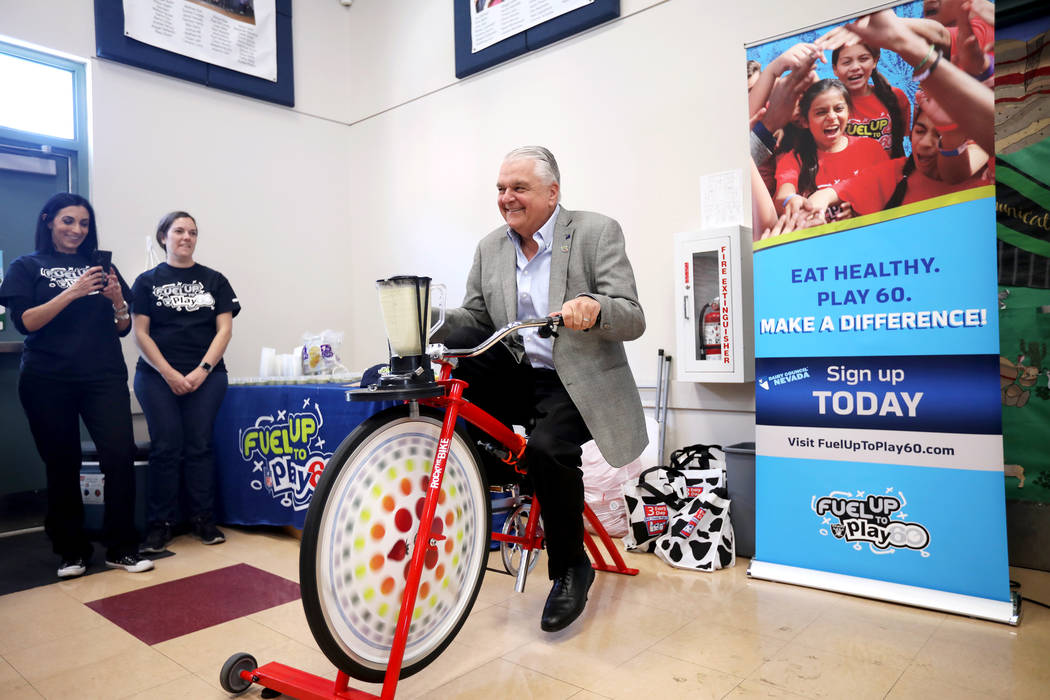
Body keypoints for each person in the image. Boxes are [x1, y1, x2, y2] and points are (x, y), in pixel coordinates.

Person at [435, 146, 647, 632]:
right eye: (501, 189)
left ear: (552, 193)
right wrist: (433, 319)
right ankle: (503, 479)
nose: (507, 198)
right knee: (446, 388)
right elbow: (477, 321)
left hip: (574, 380)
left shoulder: (596, 232)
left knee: (550, 449)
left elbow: (632, 316)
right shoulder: (491, 246)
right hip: (516, 370)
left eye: (519, 188)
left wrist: (595, 307)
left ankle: (572, 567)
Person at [0, 193, 153, 578]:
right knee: (62, 461)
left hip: (102, 375)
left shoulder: (101, 265)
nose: (76, 230)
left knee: (119, 454)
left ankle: (122, 547)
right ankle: (71, 550)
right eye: (68, 221)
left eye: (83, 223)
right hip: (47, 378)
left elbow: (121, 327)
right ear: (49, 220)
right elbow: (27, 322)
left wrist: (118, 300)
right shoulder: (26, 266)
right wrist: (72, 292)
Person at [131, 211, 240, 553]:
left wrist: (202, 370)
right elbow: (140, 334)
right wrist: (169, 373)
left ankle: (202, 520)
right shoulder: (146, 282)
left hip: (207, 376)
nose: (186, 237)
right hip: (155, 376)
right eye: (179, 231)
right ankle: (160, 524)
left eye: (192, 232)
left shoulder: (215, 280)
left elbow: (225, 329)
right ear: (163, 236)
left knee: (199, 445)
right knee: (166, 446)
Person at [773, 78, 890, 218]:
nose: (832, 117)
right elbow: (782, 198)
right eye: (821, 112)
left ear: (849, 112)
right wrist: (791, 200)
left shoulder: (871, 149)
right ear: (805, 121)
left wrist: (858, 211)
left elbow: (889, 196)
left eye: (839, 109)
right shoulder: (793, 160)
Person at [831, 42, 911, 157]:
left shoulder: (895, 96)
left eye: (863, 59)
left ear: (875, 61)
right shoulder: (830, 104)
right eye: (847, 62)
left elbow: (903, 138)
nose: (855, 67)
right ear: (835, 69)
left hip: (890, 172)